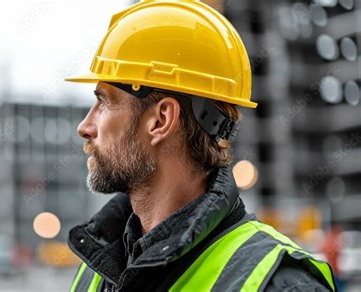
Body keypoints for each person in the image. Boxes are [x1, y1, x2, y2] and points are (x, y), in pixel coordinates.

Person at [65, 0, 336, 291]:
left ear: (160, 120)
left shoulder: (281, 285)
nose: (85, 127)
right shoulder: (95, 271)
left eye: (104, 103)